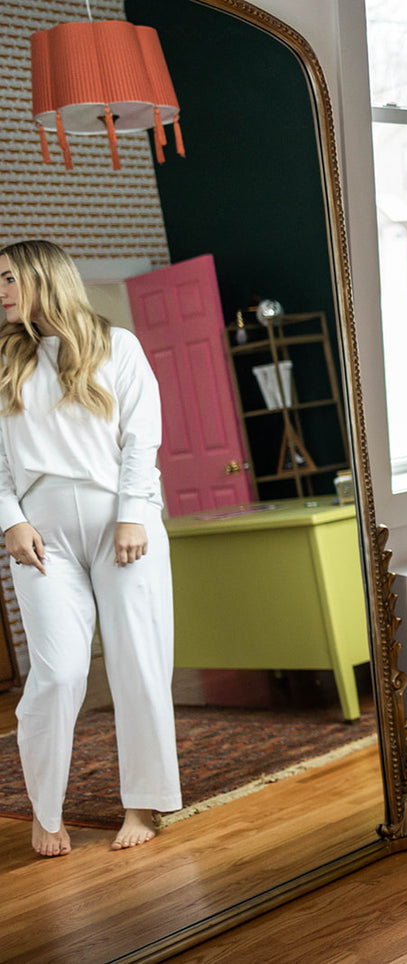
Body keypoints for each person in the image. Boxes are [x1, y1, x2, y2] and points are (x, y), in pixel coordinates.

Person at [0, 239, 181, 857]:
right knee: (57, 673)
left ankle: (143, 804)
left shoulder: (117, 346)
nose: (1, 292)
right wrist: (9, 521)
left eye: (9, 278)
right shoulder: (6, 362)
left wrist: (133, 514)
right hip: (40, 536)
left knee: (138, 663)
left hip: (122, 524)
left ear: (44, 279)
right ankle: (46, 810)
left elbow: (141, 439)